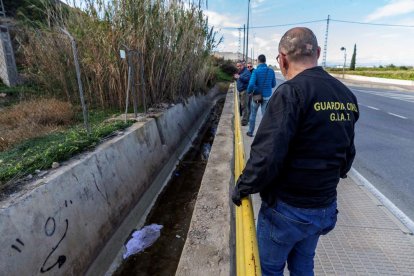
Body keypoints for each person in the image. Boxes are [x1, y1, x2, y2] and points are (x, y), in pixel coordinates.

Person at [232, 27, 359, 275]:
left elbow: (267, 155)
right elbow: (347, 157)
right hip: (324, 207)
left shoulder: (291, 93)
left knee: (267, 269)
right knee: (303, 264)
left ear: (282, 58)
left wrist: (243, 186)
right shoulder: (345, 95)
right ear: (318, 52)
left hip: (287, 210)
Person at [246, 54, 276, 137]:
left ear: (258, 61)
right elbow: (273, 85)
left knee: (253, 114)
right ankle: (265, 135)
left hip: (257, 96)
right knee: (265, 116)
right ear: (265, 61)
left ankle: (250, 132)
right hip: (267, 96)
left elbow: (251, 84)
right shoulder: (271, 71)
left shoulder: (255, 71)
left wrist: (249, 91)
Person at [234, 61, 251, 126]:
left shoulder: (247, 72)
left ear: (242, 65)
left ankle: (244, 121)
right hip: (240, 91)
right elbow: (239, 79)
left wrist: (239, 77)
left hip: (244, 91)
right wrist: (236, 78)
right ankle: (244, 118)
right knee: (242, 105)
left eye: (239, 66)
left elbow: (247, 79)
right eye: (237, 66)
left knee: (244, 106)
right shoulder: (240, 72)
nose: (238, 67)